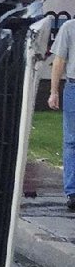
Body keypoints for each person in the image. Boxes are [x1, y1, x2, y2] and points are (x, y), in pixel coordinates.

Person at [48, 18, 75, 211]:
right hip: (74, 86)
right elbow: (59, 61)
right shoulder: (69, 28)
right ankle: (72, 191)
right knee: (72, 140)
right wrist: (54, 91)